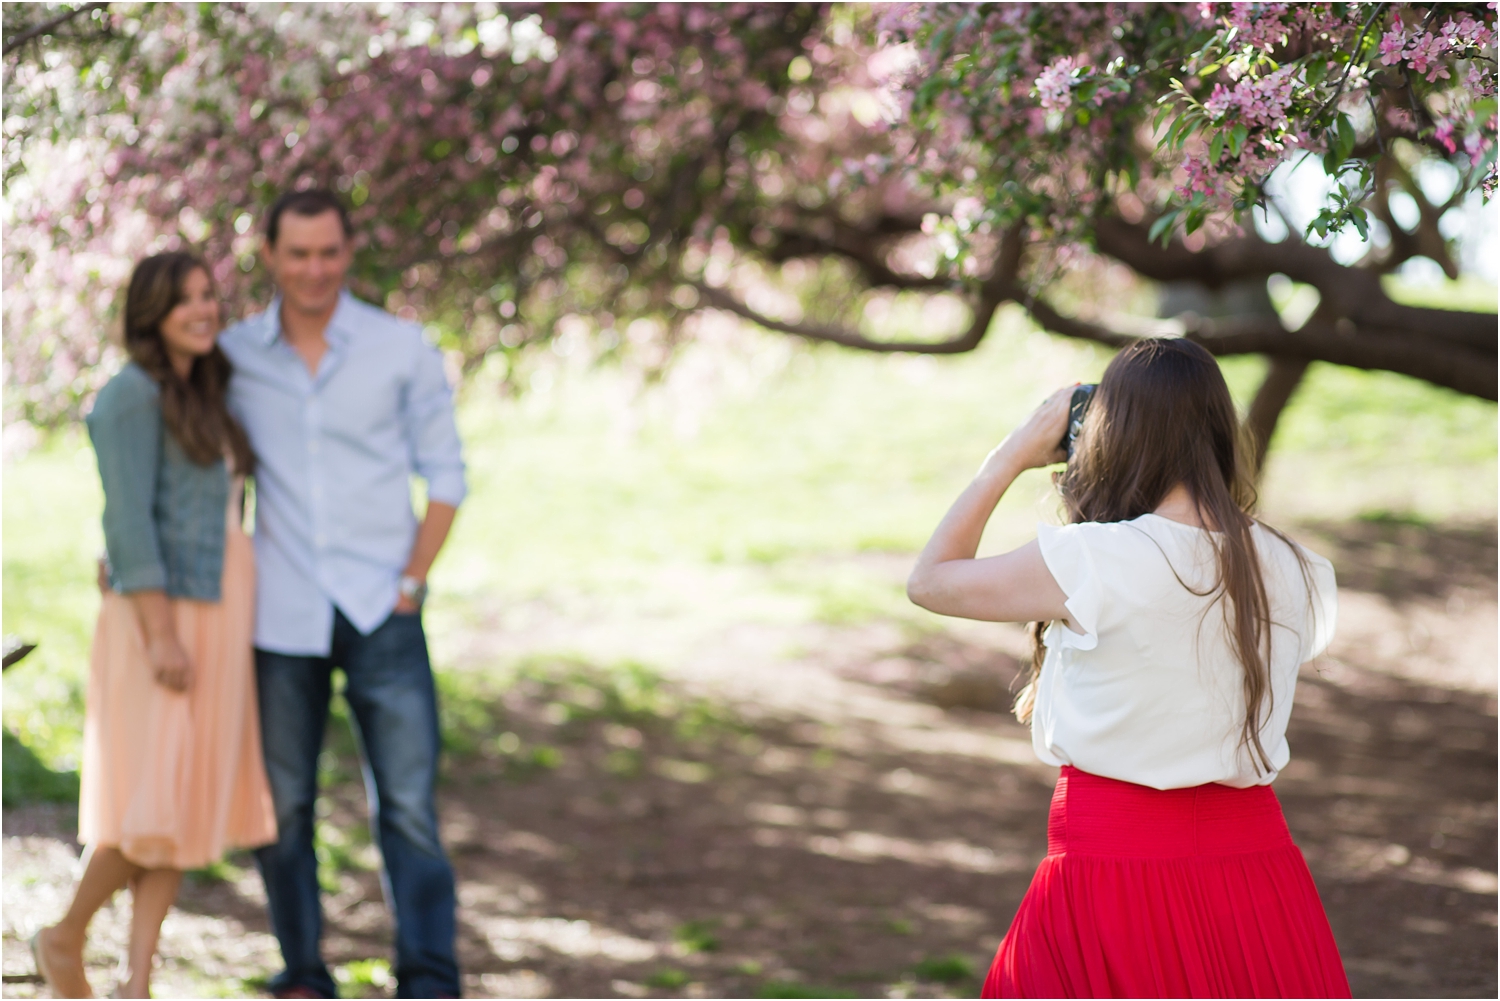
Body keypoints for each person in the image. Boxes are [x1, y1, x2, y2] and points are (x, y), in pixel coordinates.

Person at [907, 337, 1349, 998]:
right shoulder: (1296, 567)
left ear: (1118, 434)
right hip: (1254, 873)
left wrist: (1014, 454)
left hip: (1111, 866)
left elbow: (931, 579)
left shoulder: (1097, 558)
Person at [218, 189, 467, 999]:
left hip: (382, 608)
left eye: (329, 252)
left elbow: (448, 476)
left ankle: (428, 975)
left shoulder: (400, 347)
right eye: (298, 254)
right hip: (280, 611)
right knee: (283, 808)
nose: (314, 269)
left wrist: (410, 582)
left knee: (407, 806)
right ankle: (303, 970)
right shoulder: (234, 357)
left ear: (349, 250)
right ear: (270, 256)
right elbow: (199, 471)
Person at [33, 252, 277, 999]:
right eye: (184, 301)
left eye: (209, 295)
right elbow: (128, 519)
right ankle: (64, 935)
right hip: (159, 620)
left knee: (185, 805)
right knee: (153, 804)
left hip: (217, 610)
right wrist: (161, 631)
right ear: (151, 315)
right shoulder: (129, 397)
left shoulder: (205, 390)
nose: (204, 310)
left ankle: (136, 981)